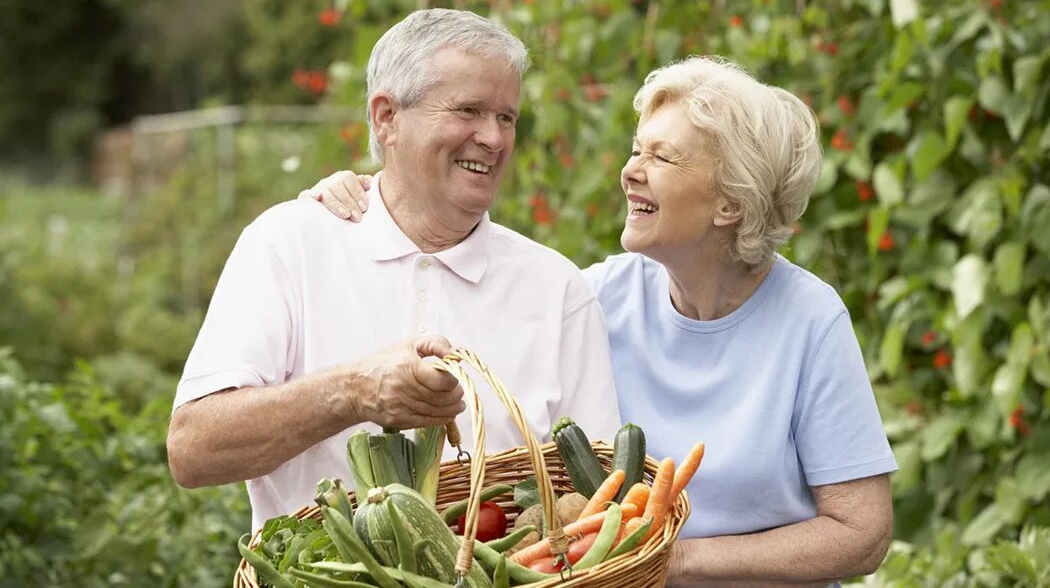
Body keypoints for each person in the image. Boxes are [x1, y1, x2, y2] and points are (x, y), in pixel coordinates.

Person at [303, 56, 898, 586]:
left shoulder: (810, 320)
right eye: (637, 149)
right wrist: (385, 197)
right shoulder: (598, 293)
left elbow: (861, 533)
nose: (630, 171)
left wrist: (672, 560)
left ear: (732, 203)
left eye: (661, 157)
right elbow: (476, 325)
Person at [167, 8, 622, 533]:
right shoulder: (288, 244)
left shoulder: (557, 289)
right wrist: (353, 392)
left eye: (506, 117)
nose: (494, 139)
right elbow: (193, 450)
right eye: (469, 110)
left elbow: (597, 502)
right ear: (387, 118)